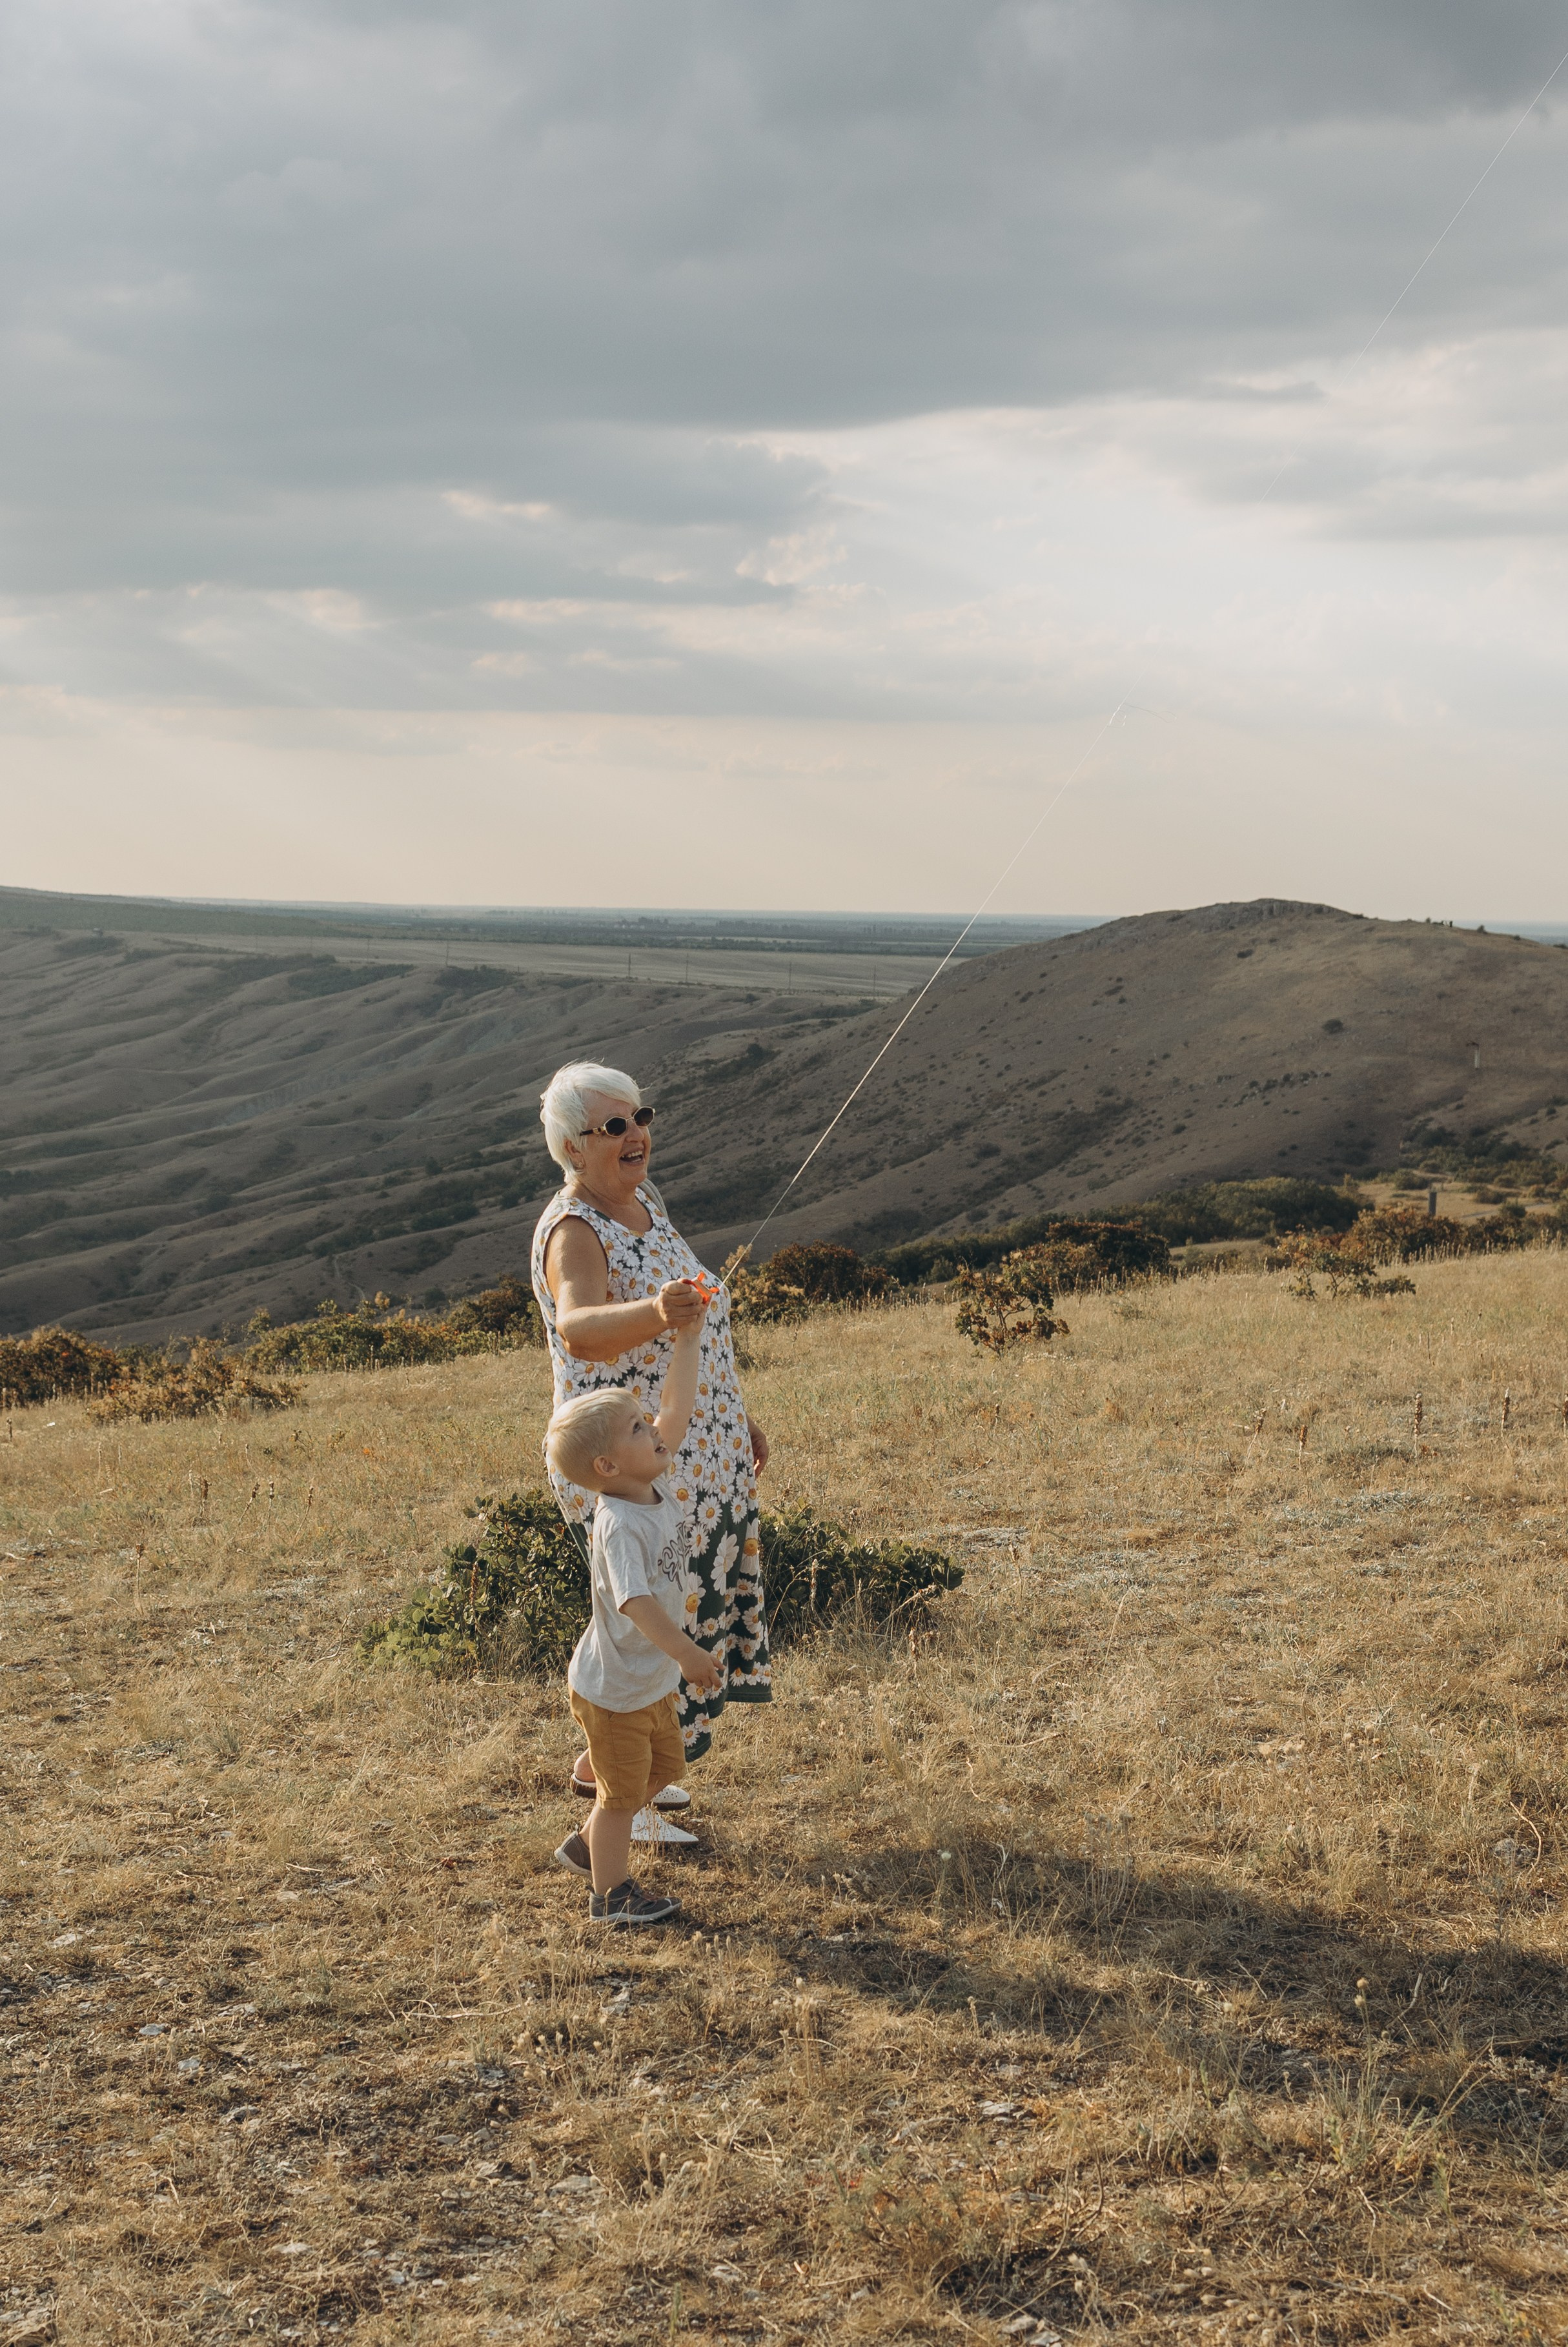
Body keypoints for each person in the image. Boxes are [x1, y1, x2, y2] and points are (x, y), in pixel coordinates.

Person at [531, 1061, 771, 1854]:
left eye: (640, 1117)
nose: (635, 1135)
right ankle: (623, 1804)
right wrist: (657, 1310)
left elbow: (698, 1335)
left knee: (683, 1616)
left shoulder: (646, 1204)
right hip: (632, 1467)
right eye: (613, 1126)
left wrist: (738, 1418)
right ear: (572, 1147)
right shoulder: (575, 1228)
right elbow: (580, 1328)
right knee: (655, 1629)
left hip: (699, 1456)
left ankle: (629, 1774)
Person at [545, 1313, 722, 1926]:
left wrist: (689, 1339)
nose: (655, 1431)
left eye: (646, 1423)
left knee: (666, 1771)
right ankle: (610, 1897)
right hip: (616, 1689)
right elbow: (636, 1603)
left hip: (644, 1684)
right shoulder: (618, 1523)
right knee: (621, 1799)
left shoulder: (648, 1480)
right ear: (607, 1469)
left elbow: (676, 1407)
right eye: (636, 1429)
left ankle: (588, 1843)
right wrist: (687, 1654)